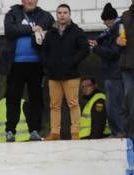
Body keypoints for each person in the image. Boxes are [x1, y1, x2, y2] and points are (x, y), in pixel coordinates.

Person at [1, 0, 51, 142]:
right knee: (13, 98)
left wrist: (45, 32)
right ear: (22, 1)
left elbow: (53, 32)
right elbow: (9, 31)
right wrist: (32, 29)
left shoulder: (45, 16)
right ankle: (10, 131)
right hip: (15, 64)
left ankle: (35, 130)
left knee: (36, 99)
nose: (30, 1)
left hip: (37, 64)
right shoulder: (12, 14)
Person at [41, 3, 90, 140]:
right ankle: (55, 132)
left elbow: (85, 49)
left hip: (71, 75)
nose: (62, 15)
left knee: (73, 104)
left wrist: (73, 61)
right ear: (56, 15)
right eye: (59, 13)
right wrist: (47, 63)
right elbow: (43, 51)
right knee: (54, 105)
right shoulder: (50, 33)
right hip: (53, 75)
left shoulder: (77, 31)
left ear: (69, 14)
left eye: (65, 12)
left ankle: (75, 133)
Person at [89, 4, 125, 137]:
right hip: (111, 73)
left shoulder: (118, 31)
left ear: (109, 19)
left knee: (113, 105)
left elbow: (113, 53)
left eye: (105, 20)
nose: (104, 23)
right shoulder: (110, 33)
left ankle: (119, 131)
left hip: (115, 73)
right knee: (113, 104)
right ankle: (117, 131)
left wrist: (96, 48)